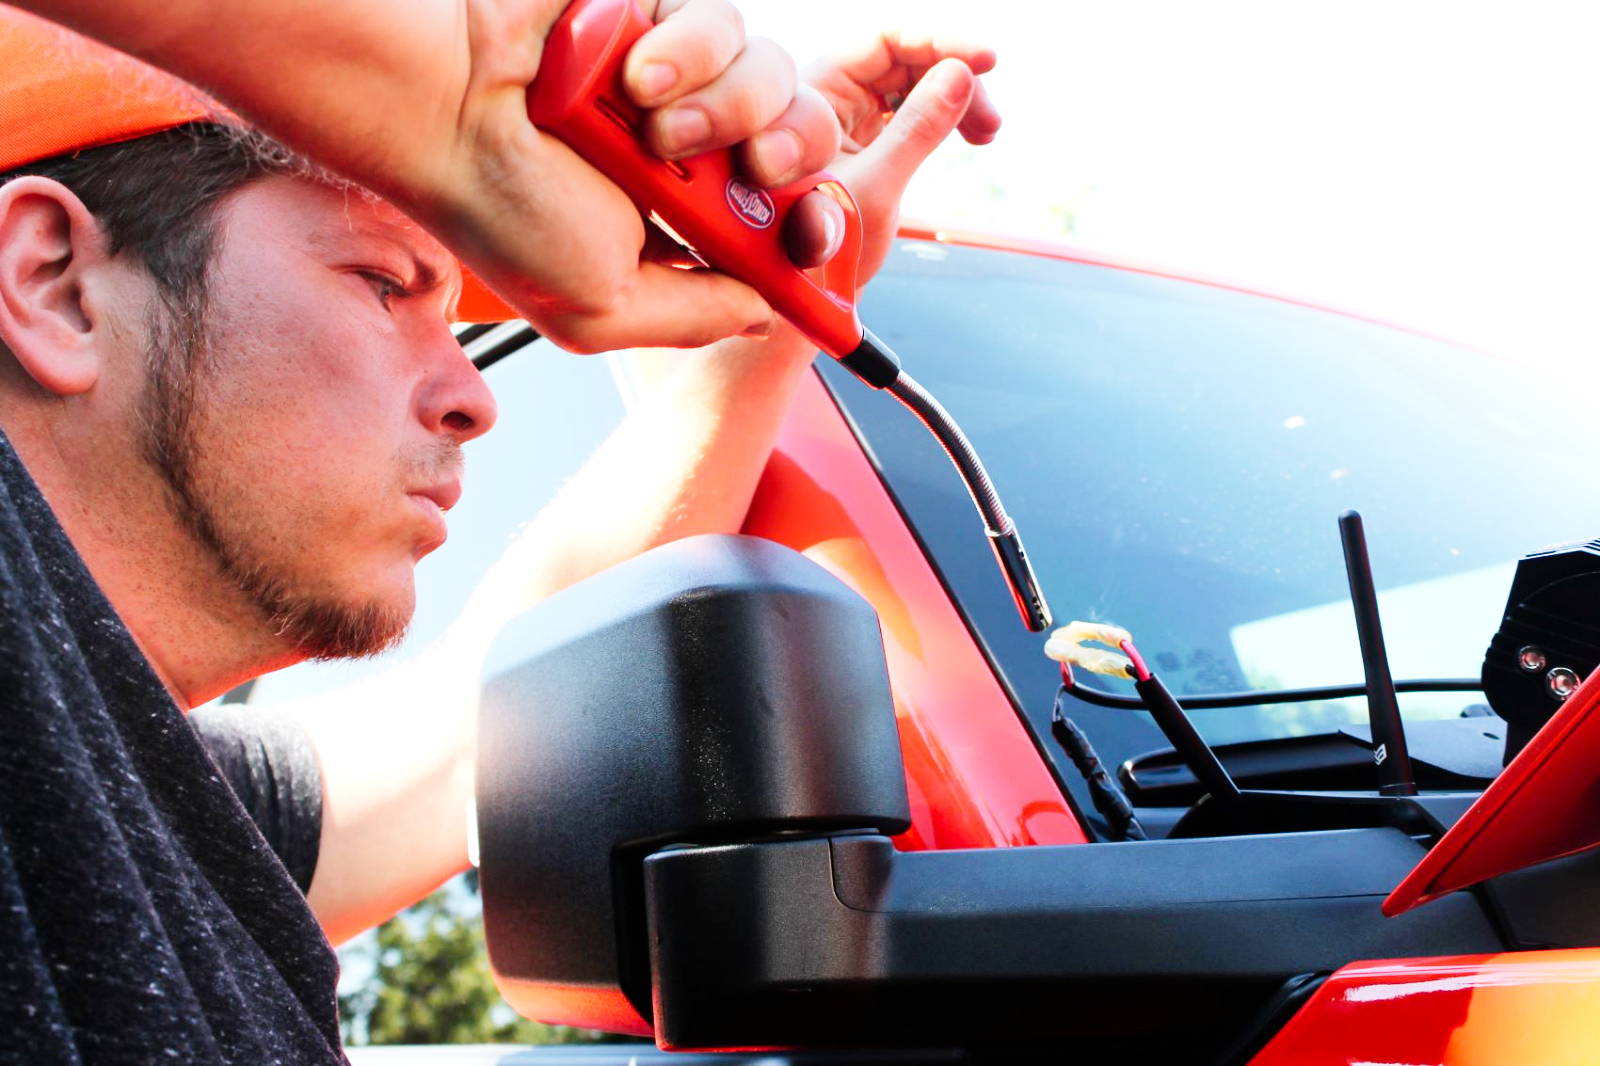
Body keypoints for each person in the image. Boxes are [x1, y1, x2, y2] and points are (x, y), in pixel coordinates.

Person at [0, 3, 999, 1063]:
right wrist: (444, 71)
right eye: (381, 282)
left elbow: (479, 726)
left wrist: (782, 301)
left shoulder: (165, 812)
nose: (474, 396)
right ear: (54, 284)